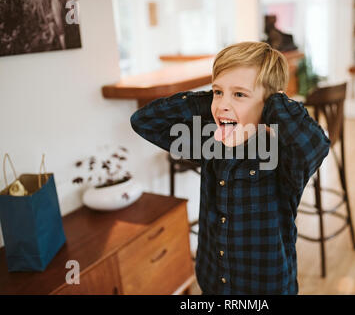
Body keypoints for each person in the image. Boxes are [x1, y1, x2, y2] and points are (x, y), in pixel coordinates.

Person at [130, 41, 331, 294]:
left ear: (268, 105)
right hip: (213, 281)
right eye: (218, 91)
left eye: (239, 94)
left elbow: (315, 146)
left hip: (265, 288)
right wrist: (211, 102)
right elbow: (144, 121)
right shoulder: (209, 140)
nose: (223, 103)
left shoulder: (283, 153)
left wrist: (274, 104)